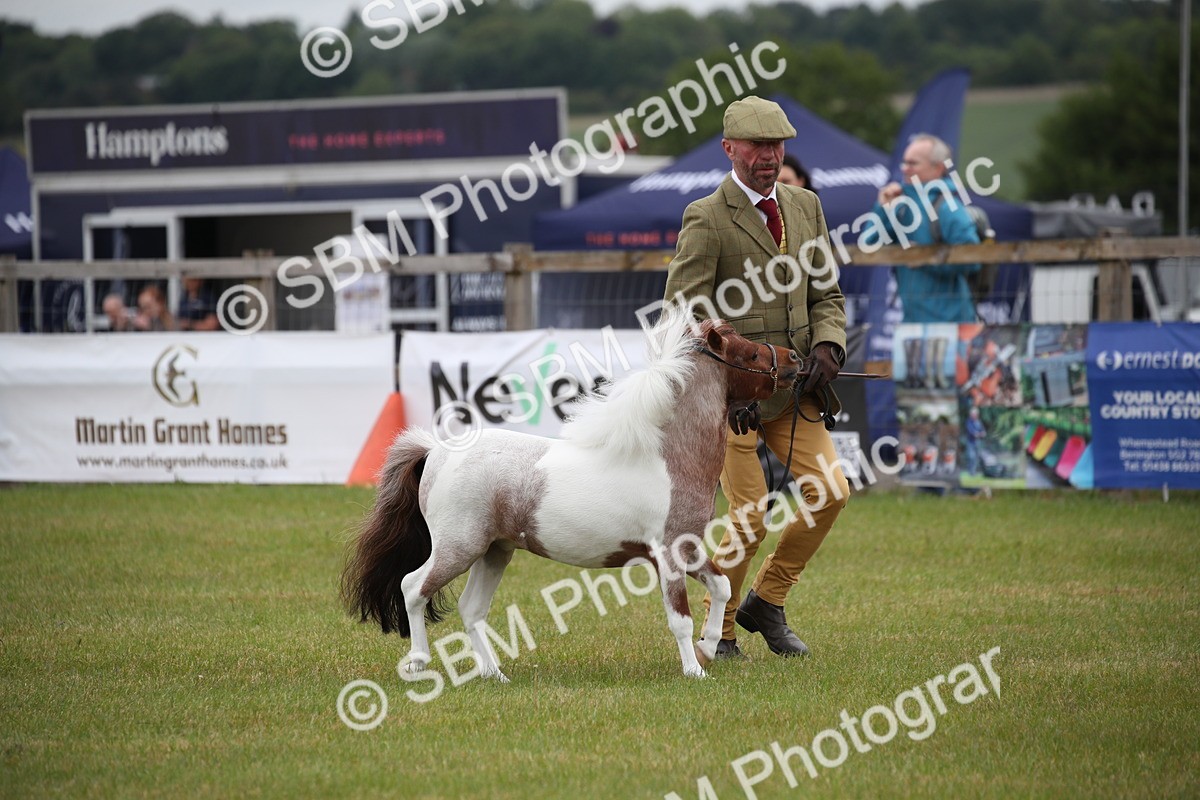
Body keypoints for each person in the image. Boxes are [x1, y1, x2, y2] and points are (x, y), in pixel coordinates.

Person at [663, 96, 849, 659]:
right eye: (757, 146)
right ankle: (717, 635)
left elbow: (826, 294)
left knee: (831, 494)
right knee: (749, 516)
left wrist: (827, 346)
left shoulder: (805, 205)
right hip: (733, 402)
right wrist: (726, 381)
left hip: (795, 392)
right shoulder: (707, 216)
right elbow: (685, 313)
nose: (769, 156)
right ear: (730, 150)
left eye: (777, 145)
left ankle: (767, 601)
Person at [872, 133, 980, 323]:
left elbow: (973, 260)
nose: (905, 169)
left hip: (952, 325)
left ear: (938, 168)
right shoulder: (900, 203)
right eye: (904, 162)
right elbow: (869, 246)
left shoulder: (949, 208)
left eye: (913, 163)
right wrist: (883, 209)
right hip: (911, 323)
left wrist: (925, 258)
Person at [964, 406, 986, 476]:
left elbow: (983, 431)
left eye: (975, 414)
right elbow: (972, 432)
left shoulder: (979, 422)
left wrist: (982, 433)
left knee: (976, 458)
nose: (974, 415)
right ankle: (970, 471)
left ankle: (973, 472)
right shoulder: (968, 422)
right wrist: (979, 434)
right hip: (970, 442)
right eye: (972, 414)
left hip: (977, 442)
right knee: (971, 457)